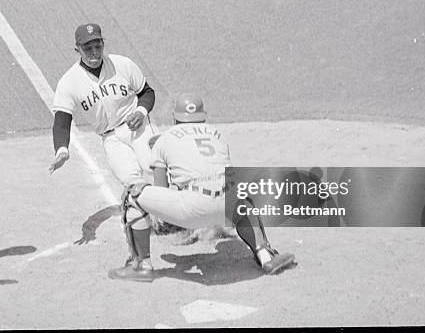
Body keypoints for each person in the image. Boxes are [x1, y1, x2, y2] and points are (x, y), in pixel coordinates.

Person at [108, 93, 296, 282]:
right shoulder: (218, 134)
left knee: (132, 194)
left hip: (191, 209)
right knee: (241, 195)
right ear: (203, 116)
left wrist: (168, 222)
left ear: (175, 117)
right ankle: (266, 256)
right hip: (227, 205)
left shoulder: (164, 139)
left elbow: (162, 188)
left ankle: (141, 266)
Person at [49, 23, 157, 186]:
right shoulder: (69, 82)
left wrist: (141, 111)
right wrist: (62, 150)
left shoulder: (122, 64)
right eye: (87, 48)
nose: (94, 52)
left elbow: (146, 92)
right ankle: (144, 209)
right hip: (110, 137)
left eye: (98, 46)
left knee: (155, 166)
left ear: (103, 44)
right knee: (130, 180)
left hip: (139, 127)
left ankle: (180, 205)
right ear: (77, 49)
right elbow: (62, 122)